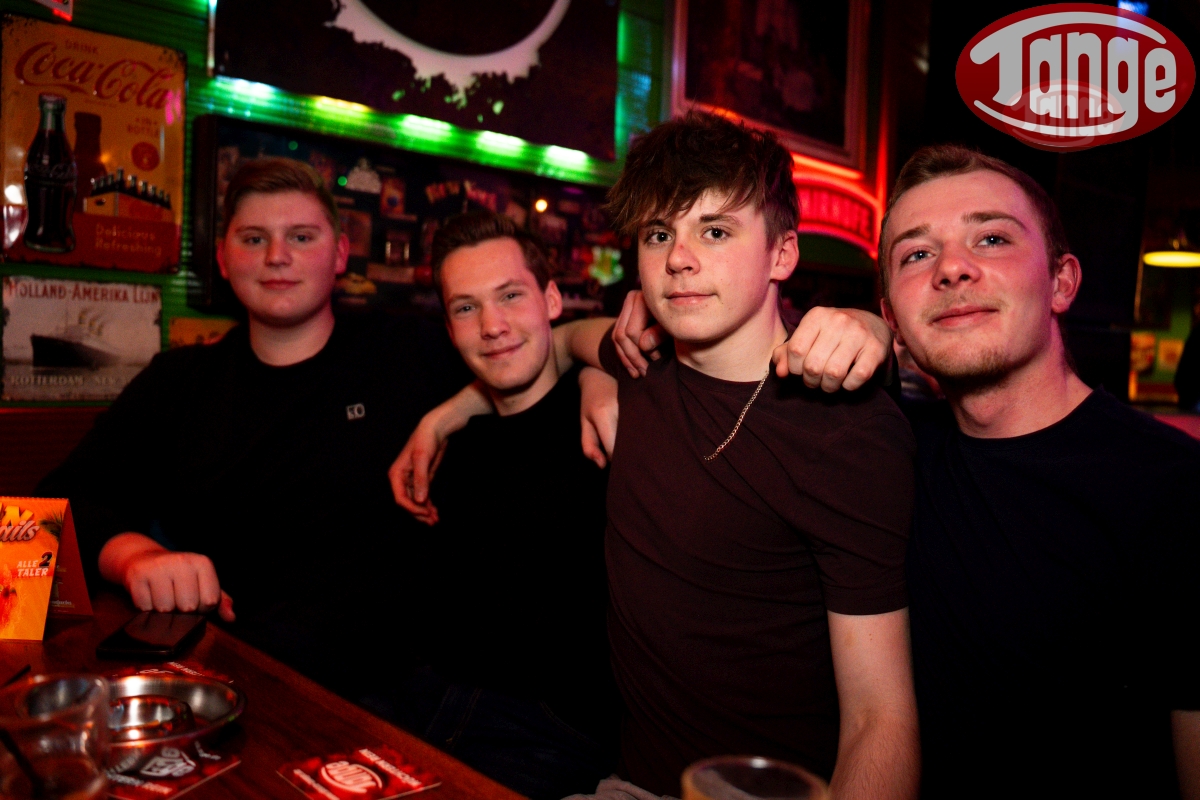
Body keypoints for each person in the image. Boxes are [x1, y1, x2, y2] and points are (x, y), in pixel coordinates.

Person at [395, 112, 921, 800]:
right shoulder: (638, 361)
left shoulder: (846, 430)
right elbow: (553, 342)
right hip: (627, 780)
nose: (680, 259)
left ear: (783, 253)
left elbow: (880, 719)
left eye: (716, 231)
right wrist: (444, 415)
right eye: (659, 234)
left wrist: (872, 326)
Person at [706, 145, 1199, 798]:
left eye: (991, 238)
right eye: (917, 254)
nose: (951, 269)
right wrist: (599, 351)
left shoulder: (1174, 491)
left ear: (1061, 282)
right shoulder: (885, 446)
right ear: (893, 316)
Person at [38, 158, 471, 698]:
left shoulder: (410, 352)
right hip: (238, 678)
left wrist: (458, 411)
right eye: (253, 239)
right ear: (223, 259)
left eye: (301, 237)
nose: (276, 257)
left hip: (411, 687)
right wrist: (135, 557)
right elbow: (51, 508)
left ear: (340, 254)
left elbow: (543, 350)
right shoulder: (180, 383)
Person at [394, 210, 621, 800]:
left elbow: (642, 346)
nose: (492, 325)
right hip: (421, 702)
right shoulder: (451, 440)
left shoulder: (605, 422)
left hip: (549, 735)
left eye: (511, 296)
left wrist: (597, 373)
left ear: (552, 300)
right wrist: (441, 418)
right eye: (466, 307)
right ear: (449, 328)